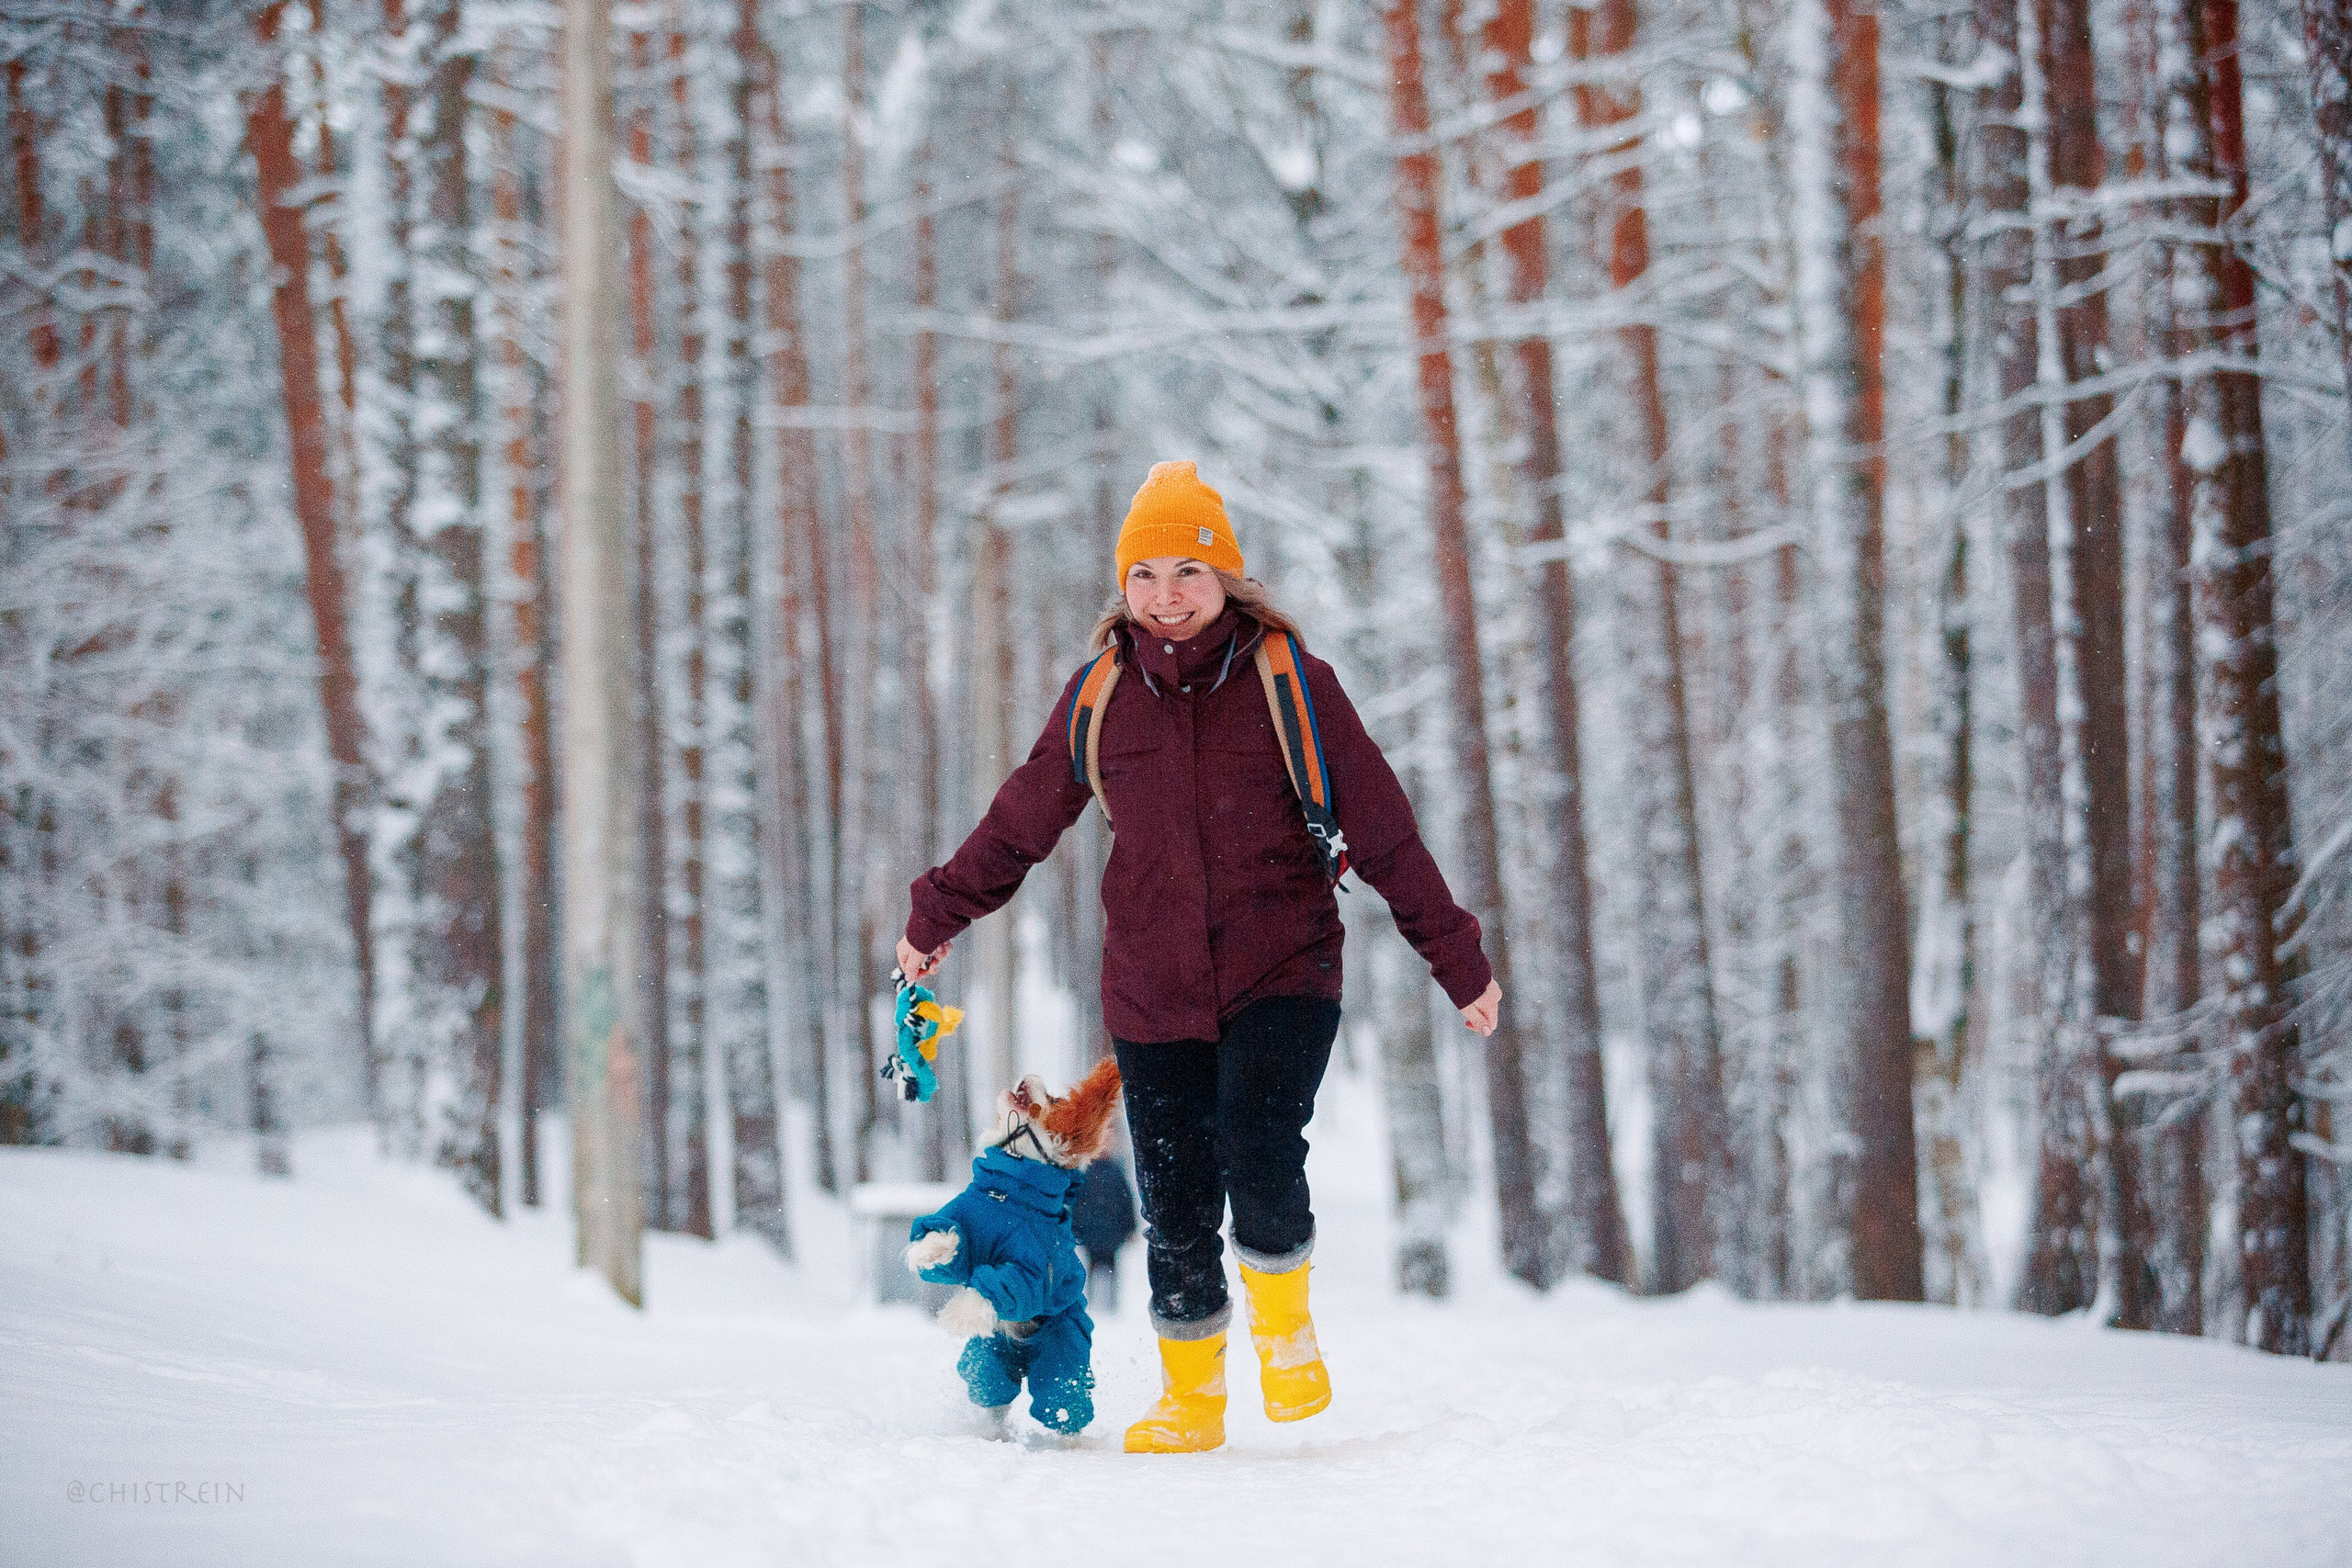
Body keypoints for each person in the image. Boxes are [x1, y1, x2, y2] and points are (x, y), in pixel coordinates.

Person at [898, 460, 1501, 1455]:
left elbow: (1385, 831)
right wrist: (937, 915)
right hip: (1151, 984)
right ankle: (1191, 1393)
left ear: (1228, 577)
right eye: (1145, 573)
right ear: (1121, 585)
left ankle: (1283, 1321)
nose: (1166, 595)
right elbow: (1020, 823)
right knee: (1173, 1197)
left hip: (1284, 970)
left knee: (1259, 1149)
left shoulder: (1291, 686)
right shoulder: (1100, 696)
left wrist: (1458, 961)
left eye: (1189, 570)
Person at [1068, 1154, 1138, 1312]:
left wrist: (1130, 1227)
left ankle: (1112, 1303)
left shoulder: (1115, 1171)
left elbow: (1127, 1201)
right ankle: (1091, 1301)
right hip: (1092, 1232)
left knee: (1112, 1267)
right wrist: (1075, 1227)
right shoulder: (1086, 1171)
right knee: (1091, 1267)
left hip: (1111, 1233)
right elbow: (1077, 1203)